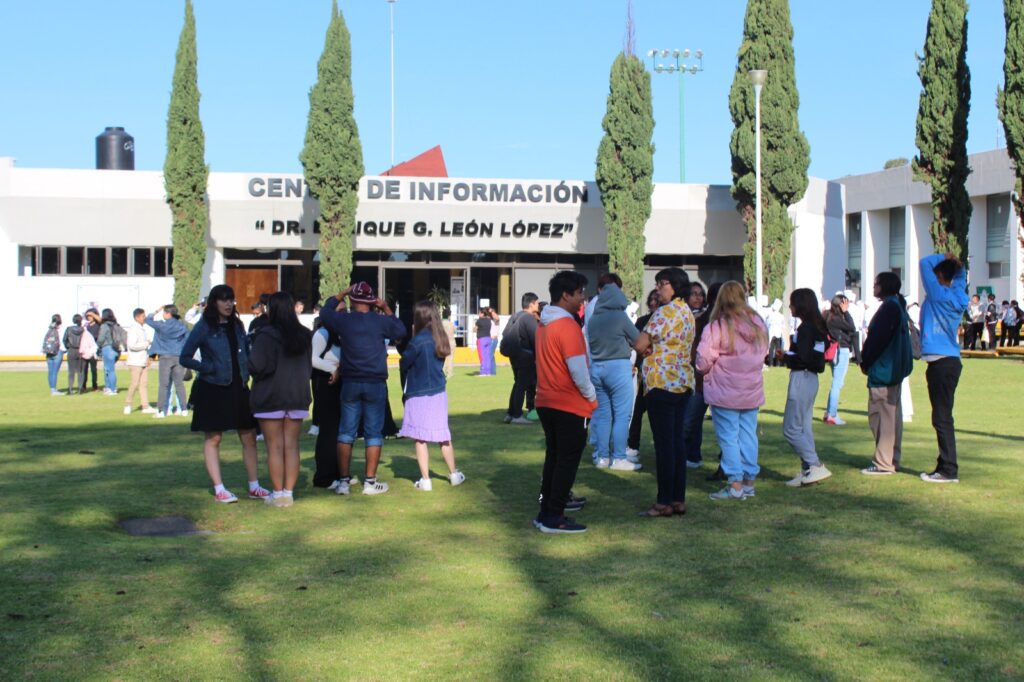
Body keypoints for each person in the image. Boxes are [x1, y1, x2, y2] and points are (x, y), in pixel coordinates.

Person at [180, 284, 269, 504]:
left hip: (239, 386)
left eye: (231, 299)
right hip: (213, 387)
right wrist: (208, 368)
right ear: (214, 302)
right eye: (223, 300)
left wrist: (251, 369)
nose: (228, 304)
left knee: (249, 436)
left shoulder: (237, 325)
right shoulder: (203, 326)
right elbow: (185, 357)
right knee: (214, 438)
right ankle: (219, 488)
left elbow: (245, 352)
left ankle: (254, 486)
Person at [319, 282, 407, 496]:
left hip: (350, 381)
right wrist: (385, 307)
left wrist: (341, 293)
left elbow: (324, 312)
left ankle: (344, 482)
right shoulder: (379, 321)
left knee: (346, 432)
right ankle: (370, 482)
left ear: (352, 299)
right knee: (373, 433)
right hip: (375, 381)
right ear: (372, 301)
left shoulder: (345, 320)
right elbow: (401, 330)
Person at [533, 271, 596, 533]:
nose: (583, 298)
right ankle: (554, 515)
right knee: (565, 462)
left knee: (554, 458)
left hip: (546, 400)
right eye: (580, 293)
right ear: (566, 295)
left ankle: (547, 511)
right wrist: (591, 397)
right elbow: (578, 370)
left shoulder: (544, 324)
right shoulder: (568, 326)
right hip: (568, 403)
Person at [695, 281, 769, 500]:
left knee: (729, 437)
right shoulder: (758, 324)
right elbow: (763, 352)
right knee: (748, 436)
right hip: (750, 389)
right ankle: (748, 482)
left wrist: (702, 370)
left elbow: (703, 359)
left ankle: (735, 484)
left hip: (724, 390)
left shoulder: (717, 326)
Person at [636, 267, 695, 517]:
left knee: (664, 445)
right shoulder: (687, 311)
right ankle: (678, 499)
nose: (658, 288)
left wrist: (646, 349)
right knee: (677, 443)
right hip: (682, 381)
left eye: (662, 283)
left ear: (675, 286)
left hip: (661, 382)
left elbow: (640, 343)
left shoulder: (663, 312)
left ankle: (663, 501)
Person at [249, 292, 313, 507]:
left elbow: (257, 366)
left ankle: (278, 494)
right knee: (292, 446)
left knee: (274, 447)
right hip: (297, 395)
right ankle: (288, 492)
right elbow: (308, 367)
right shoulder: (305, 335)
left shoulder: (266, 335)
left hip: (270, 395)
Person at [399, 301, 466, 490]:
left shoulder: (417, 340)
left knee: (420, 438)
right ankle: (454, 474)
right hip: (437, 391)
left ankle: (426, 480)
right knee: (443, 435)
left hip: (418, 392)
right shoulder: (440, 337)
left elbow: (405, 363)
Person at [587, 277, 649, 471]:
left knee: (604, 415)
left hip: (597, 368)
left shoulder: (593, 318)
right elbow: (638, 341)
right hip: (618, 368)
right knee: (622, 415)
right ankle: (619, 458)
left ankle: (602, 457)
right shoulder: (620, 317)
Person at [919, 253, 969, 483]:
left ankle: (948, 469)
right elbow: (959, 278)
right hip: (951, 360)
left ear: (939, 275)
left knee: (941, 418)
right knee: (943, 416)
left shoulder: (937, 294)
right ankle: (944, 465)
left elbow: (923, 263)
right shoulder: (959, 296)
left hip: (940, 361)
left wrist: (945, 256)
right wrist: (959, 266)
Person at [857, 272, 913, 475]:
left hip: (884, 370)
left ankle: (883, 462)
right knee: (892, 417)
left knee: (881, 417)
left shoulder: (889, 308)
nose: (873, 288)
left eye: (876, 284)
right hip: (892, 370)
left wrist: (865, 361)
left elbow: (877, 340)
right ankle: (891, 459)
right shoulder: (897, 306)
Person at [782, 288, 832, 487]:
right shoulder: (818, 326)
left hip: (802, 377)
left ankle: (815, 464)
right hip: (811, 379)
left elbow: (803, 358)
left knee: (791, 429)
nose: (790, 306)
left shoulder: (806, 329)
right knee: (804, 427)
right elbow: (815, 356)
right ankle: (808, 470)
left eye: (792, 303)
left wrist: (785, 357)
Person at [683, 281, 721, 471]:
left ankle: (689, 455)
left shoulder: (708, 321)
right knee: (693, 419)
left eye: (700, 294)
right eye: (693, 294)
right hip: (701, 377)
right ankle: (692, 455)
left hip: (706, 377)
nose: (697, 297)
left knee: (691, 420)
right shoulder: (697, 320)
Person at [626, 289, 660, 460]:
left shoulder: (664, 320)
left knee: (658, 415)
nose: (653, 302)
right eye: (651, 299)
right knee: (636, 411)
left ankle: (660, 446)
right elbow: (634, 344)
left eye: (656, 299)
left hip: (658, 375)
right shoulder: (641, 321)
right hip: (641, 373)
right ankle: (633, 445)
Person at [147, 305, 189, 419]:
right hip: (178, 356)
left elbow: (148, 319)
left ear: (168, 314)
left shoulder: (162, 325)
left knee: (164, 385)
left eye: (164, 313)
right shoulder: (181, 325)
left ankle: (161, 410)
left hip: (165, 357)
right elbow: (187, 339)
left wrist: (156, 310)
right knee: (179, 384)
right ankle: (184, 409)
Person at [504, 292, 540, 424]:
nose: (538, 305)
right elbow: (536, 338)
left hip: (514, 354)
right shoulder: (529, 318)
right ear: (531, 304)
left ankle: (510, 413)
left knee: (517, 383)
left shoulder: (515, 316)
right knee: (522, 385)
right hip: (525, 355)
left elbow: (505, 333)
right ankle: (517, 415)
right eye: (537, 303)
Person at [823, 294, 856, 425]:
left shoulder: (828, 316)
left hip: (835, 350)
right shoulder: (836, 318)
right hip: (841, 350)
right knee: (837, 383)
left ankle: (829, 412)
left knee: (837, 382)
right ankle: (832, 414)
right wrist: (846, 312)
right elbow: (852, 327)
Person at [123, 308, 155, 415]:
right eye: (143, 316)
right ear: (137, 317)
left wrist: (147, 357)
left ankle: (145, 406)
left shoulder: (142, 329)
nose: (144, 318)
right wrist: (146, 343)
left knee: (143, 384)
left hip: (142, 360)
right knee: (134, 384)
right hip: (135, 361)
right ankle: (128, 404)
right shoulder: (133, 329)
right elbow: (132, 345)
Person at [96, 308, 122, 395]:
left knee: (109, 370)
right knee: (109, 369)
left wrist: (97, 346)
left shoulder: (104, 326)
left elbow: (101, 339)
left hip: (107, 348)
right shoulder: (116, 325)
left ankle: (112, 389)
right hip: (116, 349)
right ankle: (108, 387)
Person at [63, 314, 86, 395]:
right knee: (80, 371)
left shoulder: (69, 329)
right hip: (80, 350)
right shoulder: (83, 330)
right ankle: (80, 389)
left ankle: (70, 389)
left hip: (71, 350)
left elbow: (64, 340)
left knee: (71, 371)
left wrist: (68, 347)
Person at [41, 314, 64, 396]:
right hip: (58, 352)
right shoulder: (61, 329)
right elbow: (63, 341)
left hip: (49, 352)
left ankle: (52, 389)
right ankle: (54, 391)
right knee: (55, 372)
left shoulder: (50, 328)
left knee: (50, 371)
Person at [474, 307, 496, 376]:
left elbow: (474, 329)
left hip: (481, 339)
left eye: (479, 313)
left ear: (482, 313)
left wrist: (475, 328)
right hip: (488, 338)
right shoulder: (489, 320)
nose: (479, 314)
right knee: (488, 356)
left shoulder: (479, 321)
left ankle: (483, 372)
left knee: (482, 356)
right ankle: (488, 371)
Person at [83, 308, 101, 392]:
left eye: (90, 316)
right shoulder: (86, 326)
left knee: (93, 369)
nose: (89, 317)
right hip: (85, 350)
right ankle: (83, 386)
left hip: (94, 350)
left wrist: (92, 313)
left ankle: (94, 386)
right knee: (84, 369)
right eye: (88, 316)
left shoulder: (98, 325)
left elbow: (100, 320)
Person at [441, 306, 457, 378]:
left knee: (442, 358)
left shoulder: (440, 323)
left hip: (442, 342)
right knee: (450, 358)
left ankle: (442, 371)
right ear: (449, 315)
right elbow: (454, 331)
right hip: (451, 342)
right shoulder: (451, 324)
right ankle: (449, 372)